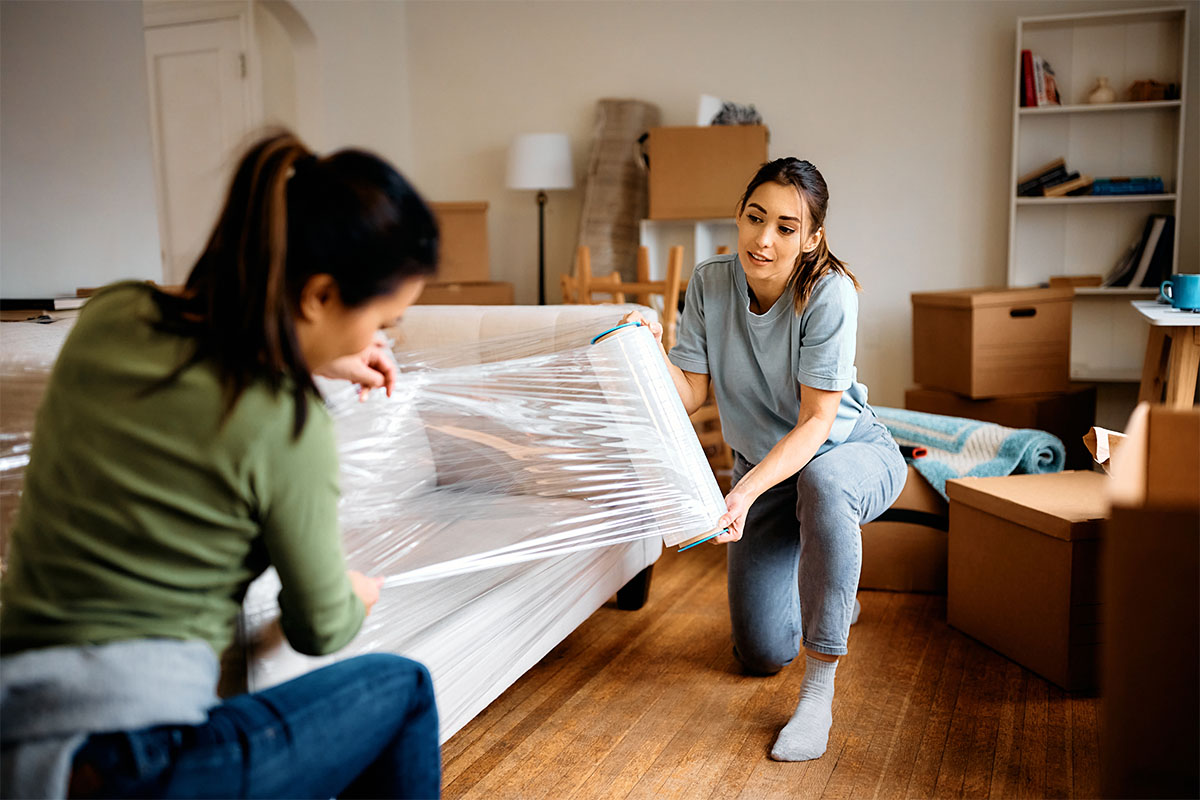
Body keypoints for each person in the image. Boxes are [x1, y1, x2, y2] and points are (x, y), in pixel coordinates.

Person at [0, 132, 443, 798]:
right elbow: (318, 628)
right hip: (137, 761)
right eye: (386, 320)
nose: (381, 342)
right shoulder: (287, 425)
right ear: (318, 296)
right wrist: (357, 593)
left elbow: (208, 332)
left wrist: (305, 352)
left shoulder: (111, 317)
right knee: (404, 688)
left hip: (20, 727)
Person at [623, 158, 906, 762]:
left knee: (825, 484)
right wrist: (649, 351)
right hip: (768, 473)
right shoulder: (709, 283)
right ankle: (835, 591)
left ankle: (819, 690)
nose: (764, 239)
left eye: (785, 226)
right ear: (739, 215)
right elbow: (692, 392)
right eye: (755, 218)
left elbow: (816, 424)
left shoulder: (830, 294)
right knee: (759, 653)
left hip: (847, 454)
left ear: (811, 239)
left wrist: (742, 494)